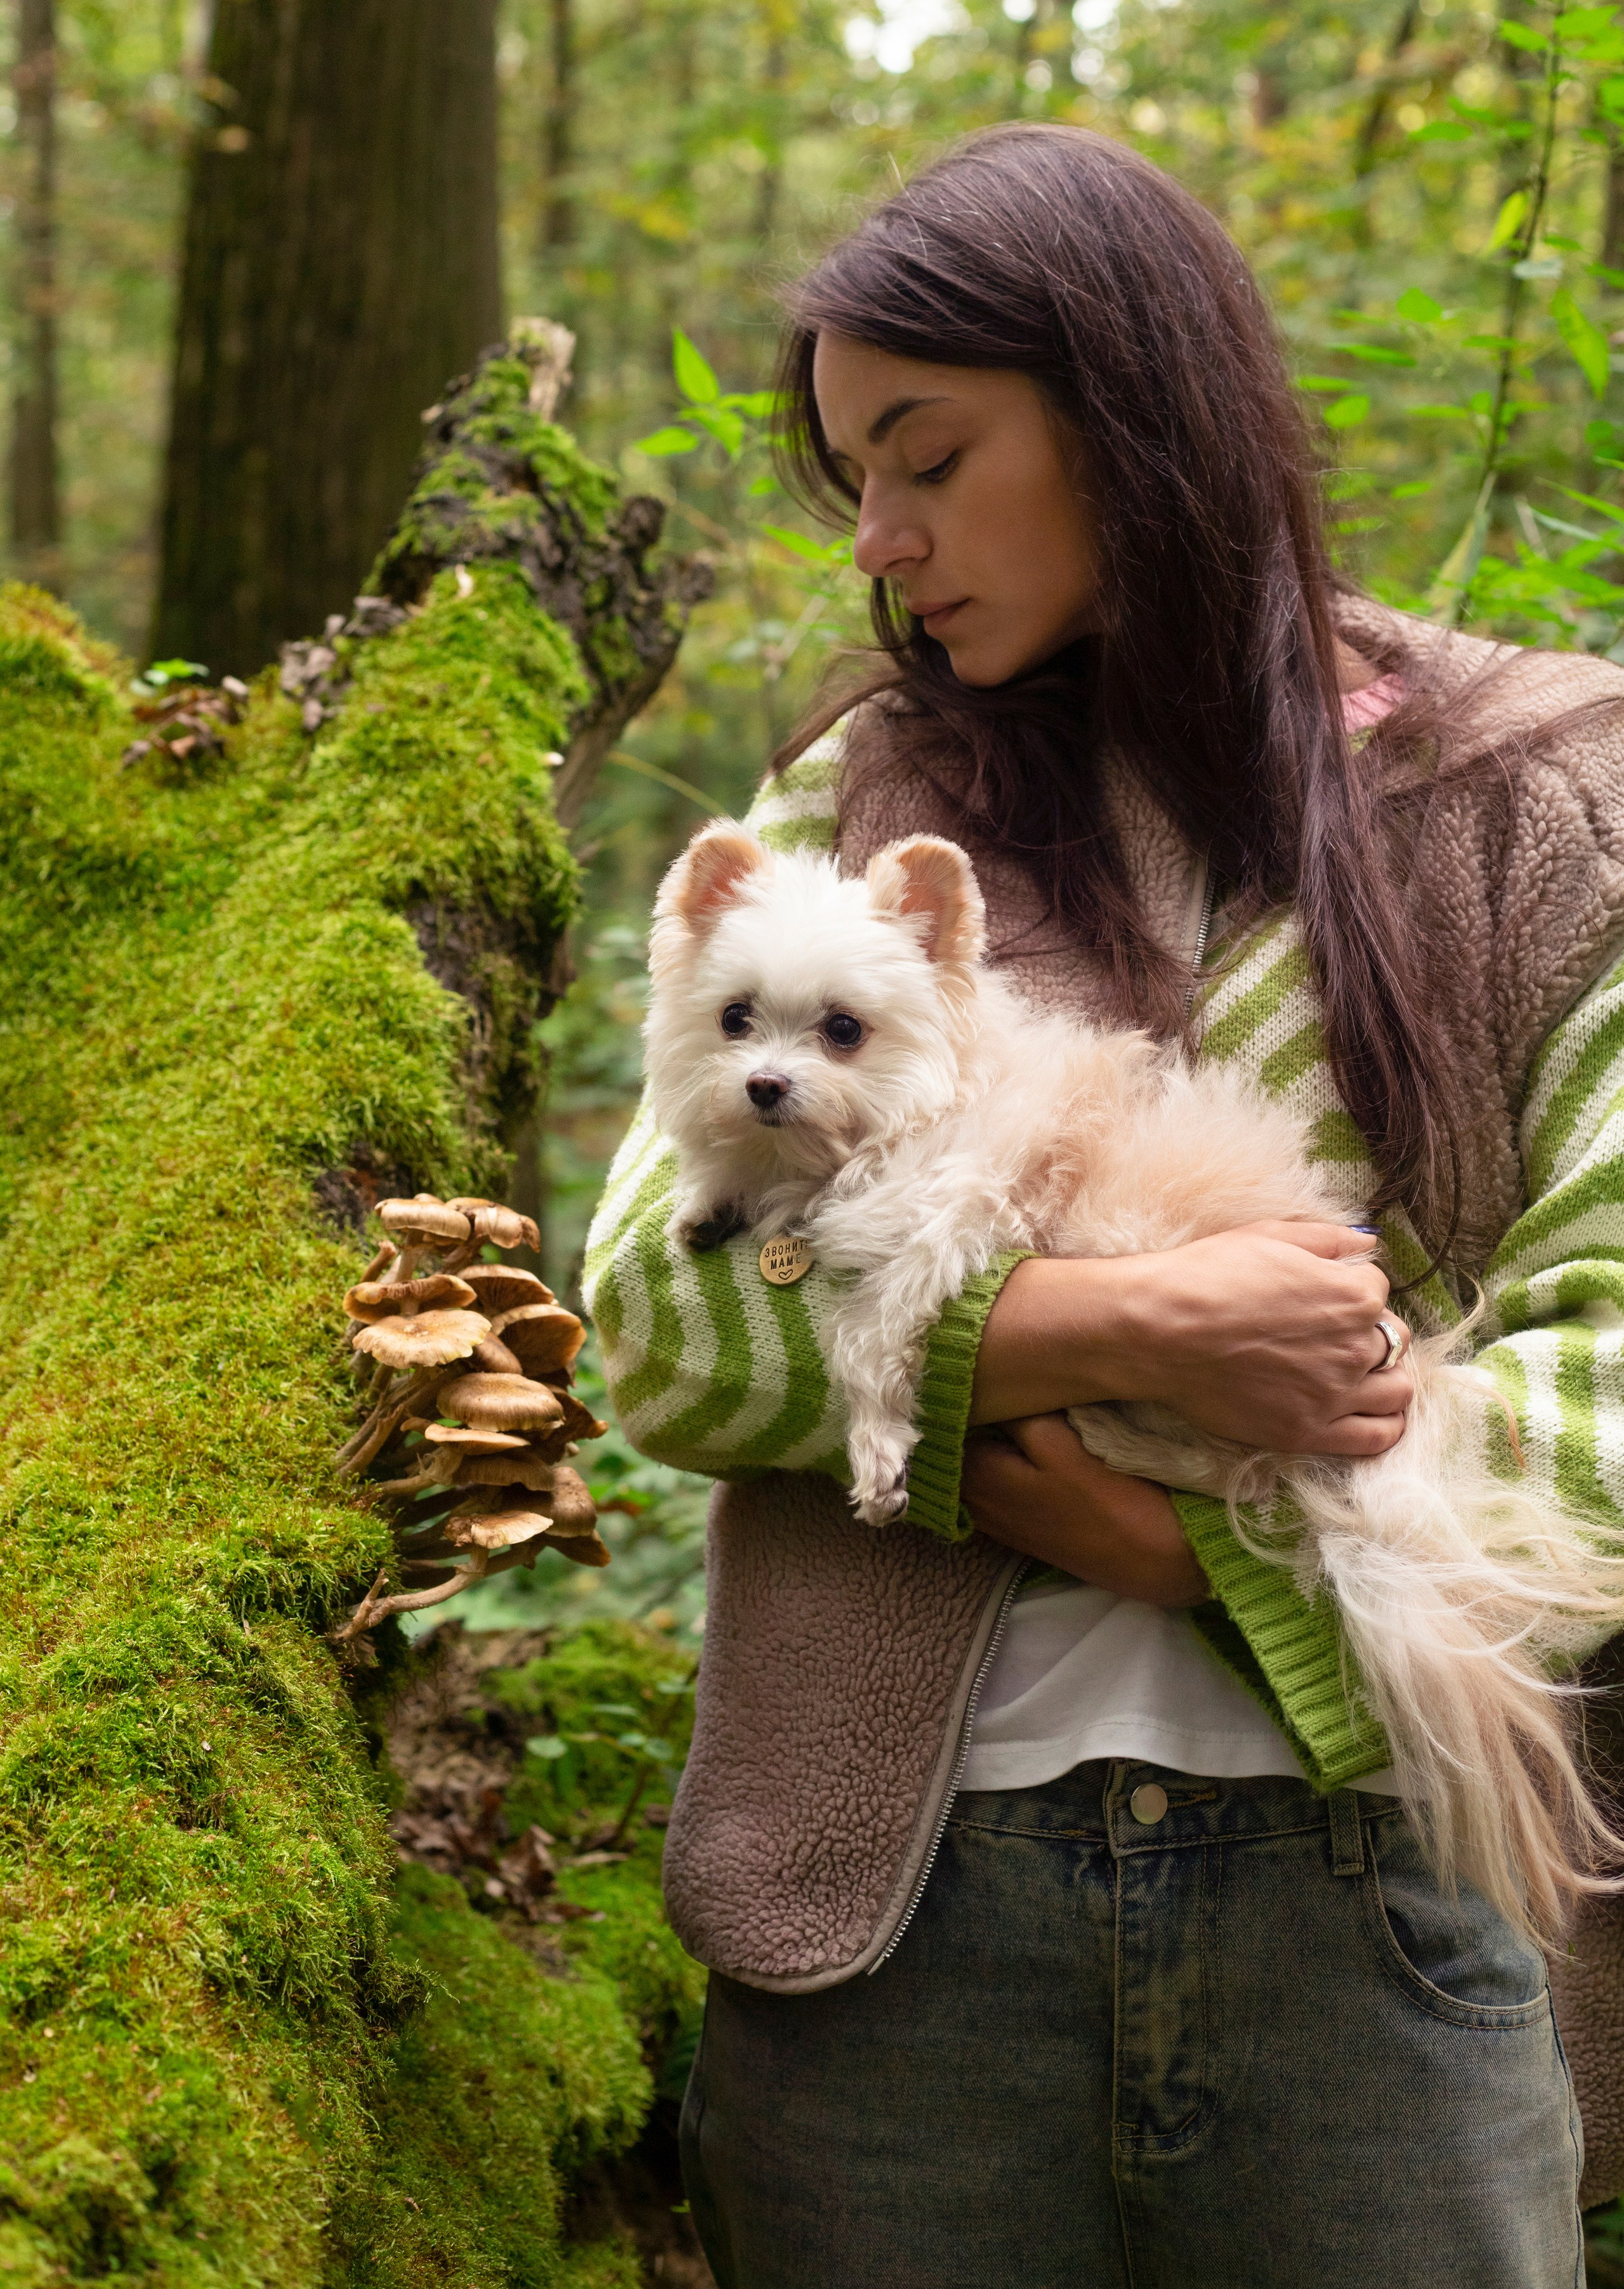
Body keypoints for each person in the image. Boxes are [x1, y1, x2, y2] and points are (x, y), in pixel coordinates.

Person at [584, 123, 1624, 2288]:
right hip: (891, 1936)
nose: (881, 535)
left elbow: (1612, 1365)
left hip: (1380, 1912)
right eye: (858, 475)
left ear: (1130, 404)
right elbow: (654, 1313)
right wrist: (1109, 1336)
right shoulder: (850, 808)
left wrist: (1203, 1545)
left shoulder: (1550, 794)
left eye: (929, 453)